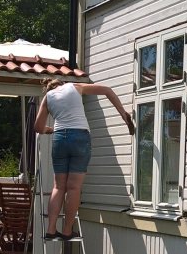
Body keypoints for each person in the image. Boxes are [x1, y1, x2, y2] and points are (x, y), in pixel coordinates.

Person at [34, 78, 134, 240]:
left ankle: (51, 230)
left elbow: (38, 127)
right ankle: (67, 231)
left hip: (59, 138)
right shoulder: (74, 87)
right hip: (79, 136)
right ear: (61, 83)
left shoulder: (48, 97)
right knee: (74, 187)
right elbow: (107, 90)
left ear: (49, 88)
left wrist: (50, 130)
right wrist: (123, 114)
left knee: (58, 187)